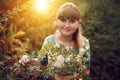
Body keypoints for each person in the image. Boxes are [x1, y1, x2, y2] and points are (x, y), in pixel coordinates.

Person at [19, 2, 90, 80]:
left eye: (72, 21)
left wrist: (70, 77)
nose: (67, 25)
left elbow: (85, 71)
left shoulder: (84, 43)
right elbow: (43, 62)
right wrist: (28, 60)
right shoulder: (49, 41)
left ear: (78, 24)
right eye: (63, 20)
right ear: (57, 21)